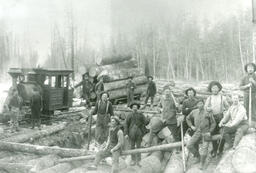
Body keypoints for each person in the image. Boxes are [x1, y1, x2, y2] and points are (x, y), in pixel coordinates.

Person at [186, 99, 216, 170]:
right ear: (197, 105)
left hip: (206, 132)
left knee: (204, 148)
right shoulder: (194, 112)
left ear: (203, 104)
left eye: (201, 103)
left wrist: (210, 131)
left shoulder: (208, 113)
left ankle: (202, 163)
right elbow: (187, 118)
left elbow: (213, 123)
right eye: (199, 104)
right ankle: (197, 156)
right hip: (197, 131)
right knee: (189, 145)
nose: (200, 105)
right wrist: (191, 126)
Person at [205, 81, 229, 157]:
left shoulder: (223, 97)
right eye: (213, 88)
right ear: (211, 89)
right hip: (212, 119)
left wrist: (225, 113)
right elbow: (205, 108)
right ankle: (215, 149)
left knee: (223, 133)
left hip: (221, 118)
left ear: (219, 89)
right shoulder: (209, 98)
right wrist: (207, 109)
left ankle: (221, 149)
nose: (215, 89)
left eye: (216, 88)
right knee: (213, 134)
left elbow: (228, 108)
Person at [124, 101, 149, 166]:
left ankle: (139, 160)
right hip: (131, 133)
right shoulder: (129, 115)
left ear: (137, 108)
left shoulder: (140, 114)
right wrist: (126, 134)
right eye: (133, 107)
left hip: (139, 132)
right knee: (132, 146)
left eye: (136, 107)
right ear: (131, 108)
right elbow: (126, 124)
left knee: (138, 146)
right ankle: (133, 160)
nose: (135, 108)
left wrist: (147, 118)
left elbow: (146, 122)